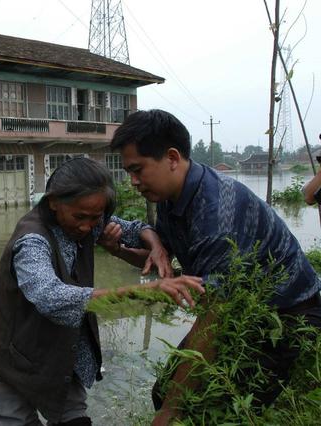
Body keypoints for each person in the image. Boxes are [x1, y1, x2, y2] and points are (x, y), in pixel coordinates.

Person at [110, 109, 321, 425]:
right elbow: (158, 263)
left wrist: (172, 409)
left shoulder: (215, 214)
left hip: (286, 315)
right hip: (240, 306)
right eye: (129, 172)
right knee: (165, 392)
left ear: (171, 157)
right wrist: (124, 245)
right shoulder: (170, 194)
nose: (134, 181)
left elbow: (215, 317)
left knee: (216, 411)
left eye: (138, 170)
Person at [0, 157, 204, 425]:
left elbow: (136, 229)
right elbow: (50, 296)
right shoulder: (32, 240)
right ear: (53, 202)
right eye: (80, 217)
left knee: (75, 419)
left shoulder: (88, 220)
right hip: (13, 359)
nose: (87, 227)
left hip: (61, 356)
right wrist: (144, 291)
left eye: (96, 218)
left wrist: (155, 245)